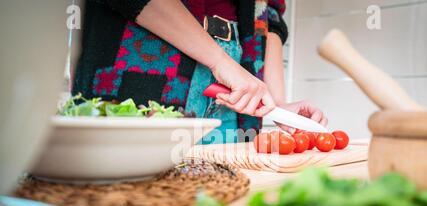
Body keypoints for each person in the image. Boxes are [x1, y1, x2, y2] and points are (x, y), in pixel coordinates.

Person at [73, 0, 327, 143]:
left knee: (223, 200)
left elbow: (268, 15)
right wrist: (220, 63)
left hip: (240, 68)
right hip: (146, 57)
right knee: (131, 200)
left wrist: (278, 103)